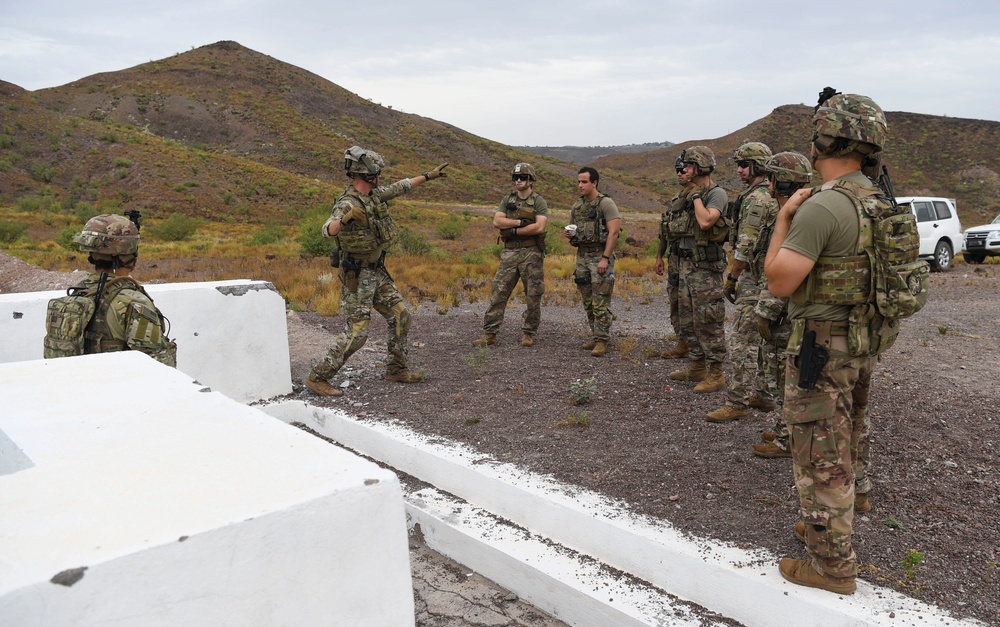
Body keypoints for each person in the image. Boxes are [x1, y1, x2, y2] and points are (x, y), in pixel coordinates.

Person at [764, 90, 889, 595]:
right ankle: (830, 524)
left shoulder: (825, 206)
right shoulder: (877, 199)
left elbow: (778, 280)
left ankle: (832, 566)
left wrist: (783, 219)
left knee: (820, 453)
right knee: (849, 436)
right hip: (862, 339)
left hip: (821, 345)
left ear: (825, 139)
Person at [305, 146, 449, 397]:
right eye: (377, 172)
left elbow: (402, 185)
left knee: (401, 315)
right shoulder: (347, 202)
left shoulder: (374, 195)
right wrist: (346, 219)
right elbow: (327, 229)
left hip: (377, 272)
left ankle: (396, 369)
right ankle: (318, 377)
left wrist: (429, 175)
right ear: (365, 174)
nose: (381, 176)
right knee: (358, 332)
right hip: (357, 277)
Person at [44, 213, 176, 366]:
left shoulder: (82, 289)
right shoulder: (133, 301)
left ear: (92, 256)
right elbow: (157, 365)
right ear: (130, 255)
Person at [746, 151, 812, 456]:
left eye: (772, 177)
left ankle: (789, 440)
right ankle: (787, 429)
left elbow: (786, 272)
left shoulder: (796, 218)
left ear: (780, 182)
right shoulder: (795, 213)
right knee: (781, 373)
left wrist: (767, 312)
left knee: (785, 375)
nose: (768, 183)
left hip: (787, 314)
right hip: (789, 310)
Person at [707, 142, 778, 421]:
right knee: (763, 340)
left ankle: (736, 402)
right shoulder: (766, 194)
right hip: (766, 275)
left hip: (754, 277)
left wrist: (732, 276)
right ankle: (762, 394)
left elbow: (746, 245)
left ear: (758, 167)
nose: (739, 170)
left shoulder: (756, 199)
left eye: (744, 165)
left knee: (742, 340)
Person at [665, 147, 729, 393]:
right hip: (684, 266)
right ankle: (697, 366)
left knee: (708, 320)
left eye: (688, 166)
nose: (683, 171)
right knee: (687, 318)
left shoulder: (715, 194)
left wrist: (695, 198)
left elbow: (706, 221)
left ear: (700, 167)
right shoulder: (686, 194)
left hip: (704, 268)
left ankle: (716, 373)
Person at [472, 163, 549, 347]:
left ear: (531, 180)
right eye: (515, 178)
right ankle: (490, 333)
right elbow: (497, 221)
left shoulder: (538, 201)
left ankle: (528, 332)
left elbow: (539, 227)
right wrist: (519, 223)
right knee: (498, 293)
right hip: (509, 253)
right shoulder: (508, 199)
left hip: (531, 253)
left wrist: (513, 231)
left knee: (533, 294)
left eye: (522, 177)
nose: (518, 181)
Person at [566, 166, 621, 357]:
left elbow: (614, 232)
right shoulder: (577, 207)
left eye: (584, 182)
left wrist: (605, 258)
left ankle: (603, 340)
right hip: (582, 256)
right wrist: (570, 234)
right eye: (579, 181)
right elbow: (574, 231)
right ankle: (596, 336)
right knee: (588, 299)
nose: (580, 185)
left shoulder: (606, 204)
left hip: (600, 255)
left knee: (600, 300)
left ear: (594, 182)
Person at [656, 156, 689, 360]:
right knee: (676, 301)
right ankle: (682, 342)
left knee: (691, 305)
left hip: (693, 260)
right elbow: (665, 232)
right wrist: (660, 255)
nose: (679, 173)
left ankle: (697, 348)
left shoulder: (704, 197)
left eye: (683, 169)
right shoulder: (676, 200)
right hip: (675, 258)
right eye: (677, 169)